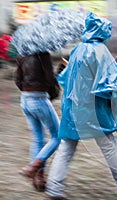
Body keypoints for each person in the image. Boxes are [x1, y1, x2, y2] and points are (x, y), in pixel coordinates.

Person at [45, 12, 117, 199]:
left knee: (66, 147)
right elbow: (114, 81)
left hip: (72, 109)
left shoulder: (78, 49)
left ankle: (54, 187)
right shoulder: (100, 51)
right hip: (93, 111)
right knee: (109, 146)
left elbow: (68, 77)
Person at [14, 52, 61, 191]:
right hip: (39, 99)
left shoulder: (22, 53)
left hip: (25, 100)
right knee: (57, 136)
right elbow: (50, 80)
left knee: (38, 138)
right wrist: (61, 70)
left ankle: (39, 178)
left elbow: (17, 80)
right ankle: (33, 166)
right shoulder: (43, 54)